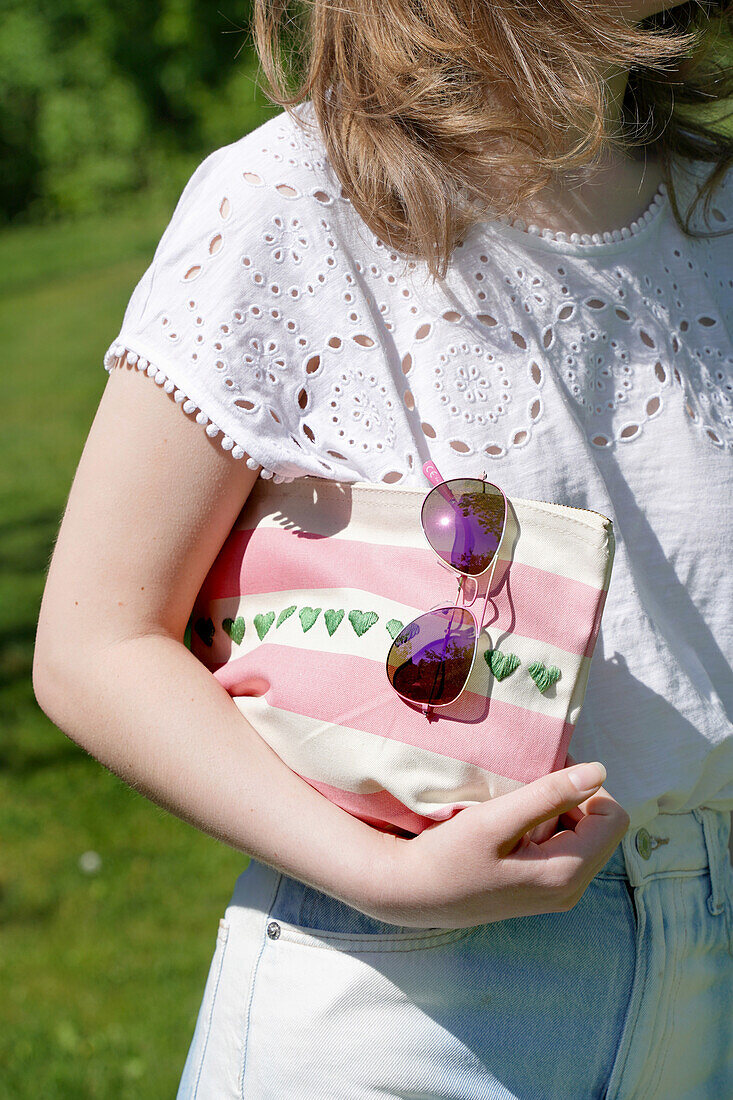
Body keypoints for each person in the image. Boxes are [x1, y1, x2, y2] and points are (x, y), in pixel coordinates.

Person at [32, 0, 733, 1095]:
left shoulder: (715, 207)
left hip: (708, 975)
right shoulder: (291, 202)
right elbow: (94, 642)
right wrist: (386, 877)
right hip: (409, 1000)